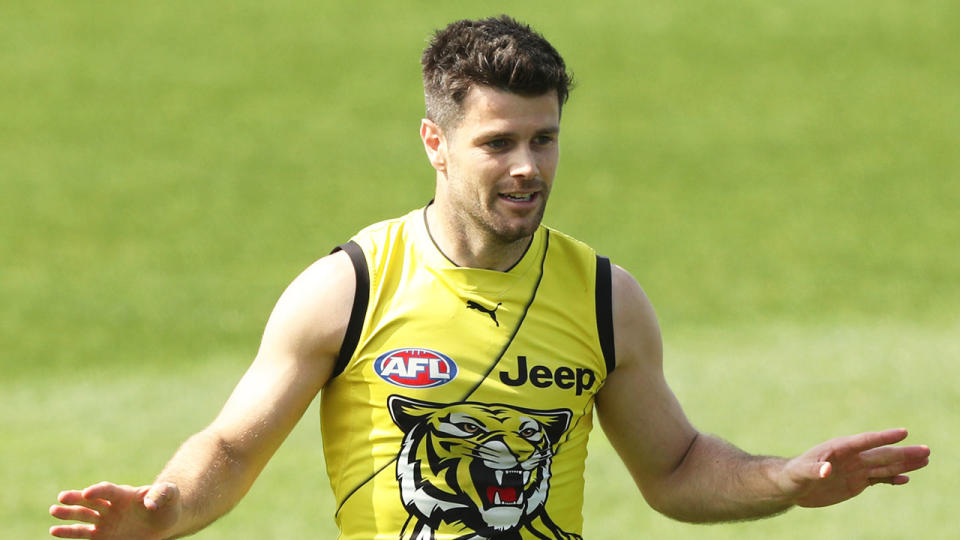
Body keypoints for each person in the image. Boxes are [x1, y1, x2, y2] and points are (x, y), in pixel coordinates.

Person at [49, 15, 930, 540]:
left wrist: (788, 481)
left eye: (544, 139)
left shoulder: (604, 297)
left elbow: (675, 468)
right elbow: (234, 447)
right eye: (498, 143)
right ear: (435, 143)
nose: (528, 168)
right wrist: (164, 511)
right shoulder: (350, 286)